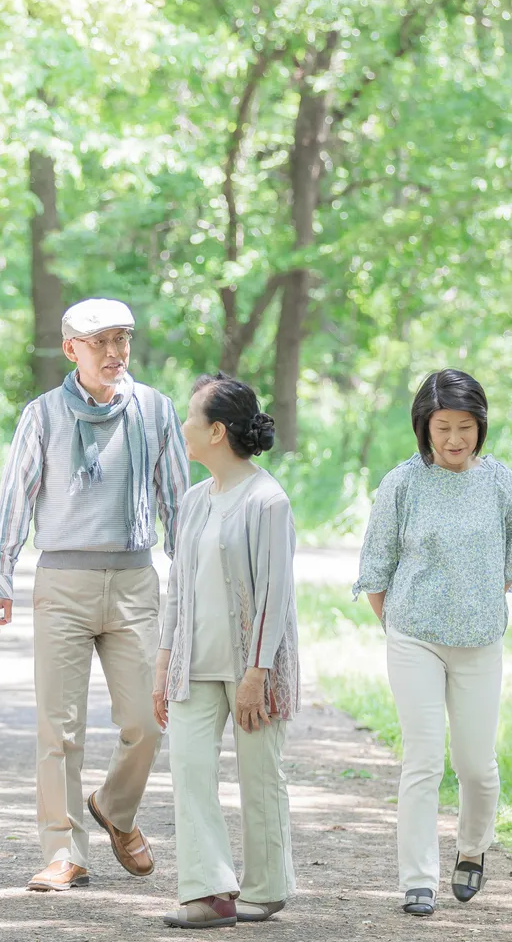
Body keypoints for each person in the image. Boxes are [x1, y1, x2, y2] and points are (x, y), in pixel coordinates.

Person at [0, 297, 190, 893]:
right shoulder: (43, 415)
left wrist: (192, 580)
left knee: (148, 722)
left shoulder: (155, 409)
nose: (113, 352)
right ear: (71, 348)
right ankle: (63, 850)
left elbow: (177, 503)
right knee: (60, 727)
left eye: (121, 339)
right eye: (98, 341)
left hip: (134, 582)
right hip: (64, 583)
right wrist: (0, 578)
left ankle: (115, 809)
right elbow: (13, 499)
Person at [352, 369, 512, 918]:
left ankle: (472, 847)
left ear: (481, 427)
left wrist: (471, 608)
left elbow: (508, 564)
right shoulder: (401, 484)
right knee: (423, 758)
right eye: (443, 427)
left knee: (476, 765)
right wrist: (405, 625)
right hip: (414, 640)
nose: (455, 439)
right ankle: (417, 878)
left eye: (466, 427)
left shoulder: (500, 482)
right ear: (424, 428)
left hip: (479, 641)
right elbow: (377, 572)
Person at [153, 374, 299, 929]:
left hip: (252, 667)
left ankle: (268, 886)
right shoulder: (193, 501)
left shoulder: (268, 502)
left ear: (216, 431)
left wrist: (257, 672)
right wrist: (164, 662)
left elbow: (275, 598)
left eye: (191, 418)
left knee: (261, 777)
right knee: (190, 770)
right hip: (193, 662)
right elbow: (177, 589)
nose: (183, 427)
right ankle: (210, 892)